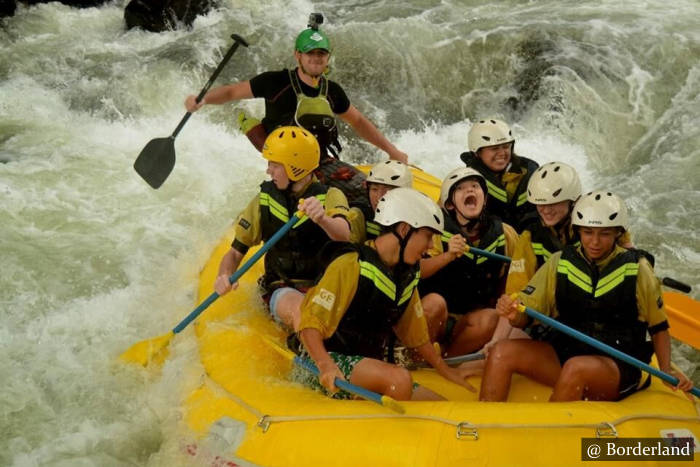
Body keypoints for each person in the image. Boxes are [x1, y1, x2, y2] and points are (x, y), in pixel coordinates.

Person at [480, 191, 693, 402]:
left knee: (576, 368)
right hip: (567, 352)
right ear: (578, 230)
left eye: (605, 234)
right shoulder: (559, 261)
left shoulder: (638, 269)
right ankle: (483, 424)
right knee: (502, 351)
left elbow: (659, 327)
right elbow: (527, 312)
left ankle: (554, 432)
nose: (595, 242)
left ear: (618, 233)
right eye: (588, 232)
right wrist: (512, 313)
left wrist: (666, 370)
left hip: (618, 364)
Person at [184, 16, 408, 207]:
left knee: (370, 193)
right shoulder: (275, 82)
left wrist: (392, 151)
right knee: (321, 199)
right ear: (297, 55)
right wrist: (202, 99)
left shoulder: (332, 91)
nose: (316, 58)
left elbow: (358, 121)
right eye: (310, 53)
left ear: (328, 57)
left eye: (321, 53)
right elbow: (233, 92)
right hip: (284, 169)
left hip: (321, 162)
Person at [295, 188, 475, 401]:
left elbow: (416, 337)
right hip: (322, 362)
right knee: (399, 380)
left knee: (439, 404)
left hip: (365, 363)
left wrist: (445, 370)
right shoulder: (350, 264)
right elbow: (309, 326)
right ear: (405, 229)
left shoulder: (406, 274)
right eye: (428, 237)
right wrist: (326, 366)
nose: (429, 247)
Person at [214, 126, 350, 330]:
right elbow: (234, 253)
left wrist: (323, 218)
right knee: (303, 312)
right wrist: (223, 275)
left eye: (275, 165)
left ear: (296, 167)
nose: (269, 170)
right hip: (282, 287)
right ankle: (318, 352)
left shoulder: (330, 196)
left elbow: (344, 235)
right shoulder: (264, 199)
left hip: (325, 286)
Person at [418, 167, 519, 354]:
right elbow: (417, 271)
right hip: (438, 317)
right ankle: (420, 357)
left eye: (475, 186)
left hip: (470, 322)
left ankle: (449, 360)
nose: (470, 190)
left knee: (492, 317)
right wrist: (446, 256)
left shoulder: (506, 234)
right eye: (461, 188)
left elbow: (515, 280)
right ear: (449, 205)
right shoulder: (435, 231)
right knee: (434, 303)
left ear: (485, 198)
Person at [460, 119, 539, 232]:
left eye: (506, 147)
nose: (502, 153)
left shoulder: (529, 173)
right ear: (477, 153)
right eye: (494, 148)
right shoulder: (463, 184)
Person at [347, 160, 413, 244]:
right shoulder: (359, 214)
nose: (379, 198)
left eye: (387, 191)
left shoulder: (415, 223)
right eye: (374, 189)